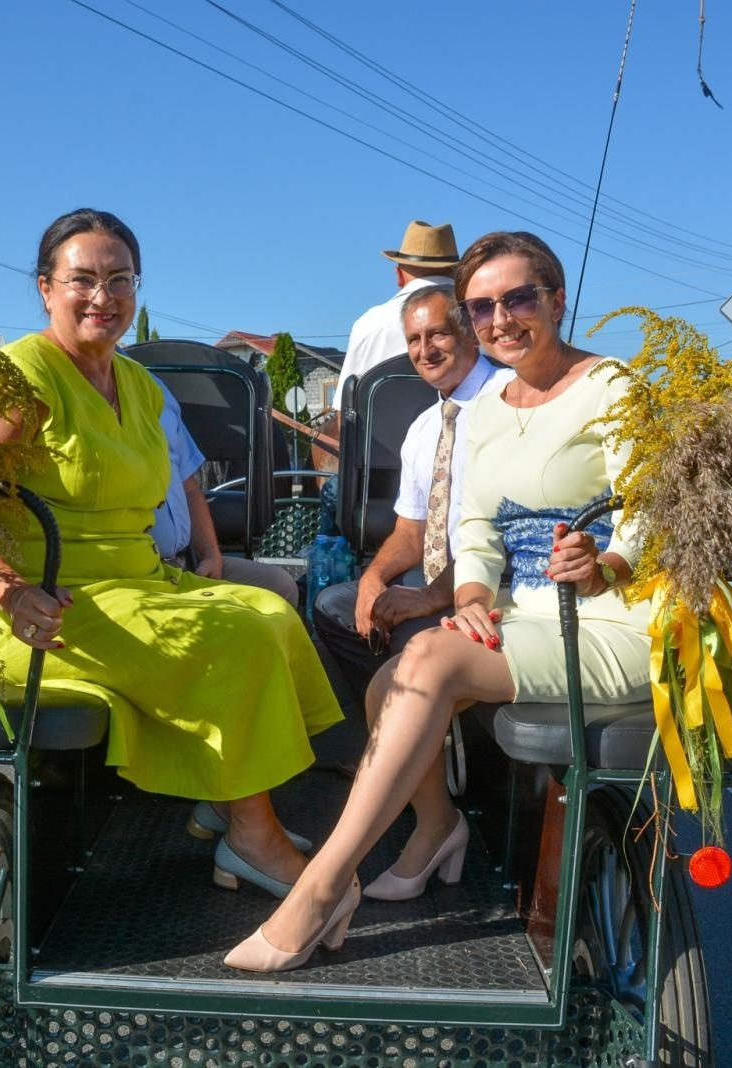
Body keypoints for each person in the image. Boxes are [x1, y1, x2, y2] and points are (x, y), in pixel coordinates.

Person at [226, 230, 650, 973]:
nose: (501, 319)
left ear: (556, 300)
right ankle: (436, 828)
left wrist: (605, 563)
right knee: (388, 683)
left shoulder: (614, 386)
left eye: (518, 298)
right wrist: (475, 595)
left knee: (425, 658)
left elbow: (650, 510)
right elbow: (476, 529)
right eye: (483, 306)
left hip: (607, 620)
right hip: (523, 613)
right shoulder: (485, 411)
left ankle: (322, 889)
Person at [0, 208, 341, 898]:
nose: (103, 296)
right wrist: (6, 588)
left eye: (120, 279)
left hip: (137, 582)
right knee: (235, 636)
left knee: (271, 612)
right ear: (45, 288)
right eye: (83, 279)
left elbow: (184, 483)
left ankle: (228, 799)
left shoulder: (139, 384)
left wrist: (204, 555)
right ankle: (253, 837)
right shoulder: (17, 377)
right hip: (47, 604)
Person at [311, 286, 506, 704]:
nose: (425, 350)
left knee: (410, 635)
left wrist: (431, 597)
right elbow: (410, 531)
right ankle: (397, 719)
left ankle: (428, 720)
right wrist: (373, 578)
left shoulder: (511, 398)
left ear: (470, 333)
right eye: (414, 340)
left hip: (495, 582)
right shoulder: (423, 426)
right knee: (334, 607)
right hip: (433, 576)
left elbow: (511, 528)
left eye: (438, 334)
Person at [150, 376, 298, 607]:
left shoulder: (155, 388)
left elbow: (189, 488)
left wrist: (211, 555)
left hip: (185, 561)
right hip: (142, 570)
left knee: (281, 586)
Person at [334, 220, 461, 388]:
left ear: (399, 276)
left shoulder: (368, 324)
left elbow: (344, 401)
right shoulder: (482, 315)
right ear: (457, 272)